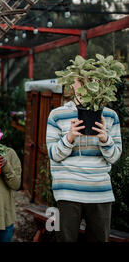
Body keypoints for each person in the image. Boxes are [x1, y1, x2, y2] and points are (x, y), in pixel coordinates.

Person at [46, 78, 122, 242]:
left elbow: (115, 157)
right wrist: (70, 137)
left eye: (93, 79)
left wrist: (105, 139)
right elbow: (54, 154)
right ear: (72, 83)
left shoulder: (110, 116)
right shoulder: (57, 115)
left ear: (101, 81)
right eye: (81, 79)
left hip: (100, 192)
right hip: (67, 191)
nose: (87, 83)